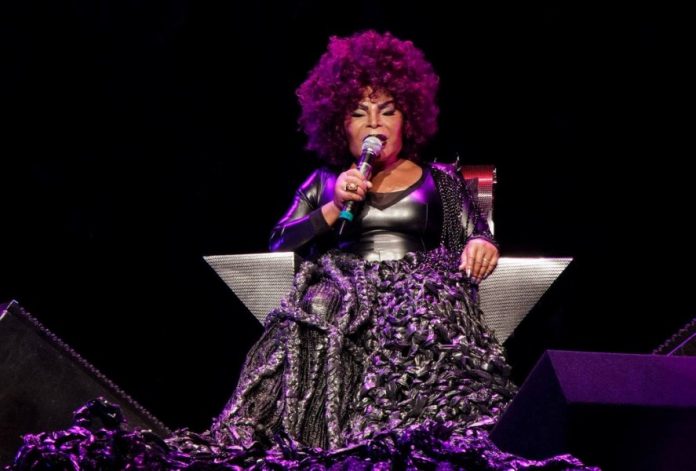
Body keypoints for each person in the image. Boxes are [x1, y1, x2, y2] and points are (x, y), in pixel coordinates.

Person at [12, 30, 595, 470]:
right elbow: (282, 241)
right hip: (345, 288)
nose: (374, 122)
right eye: (360, 113)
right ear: (341, 126)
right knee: (315, 311)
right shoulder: (325, 181)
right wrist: (334, 207)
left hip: (422, 290)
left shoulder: (440, 179)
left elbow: (476, 232)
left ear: (407, 117)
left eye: (387, 110)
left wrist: (482, 244)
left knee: (427, 318)